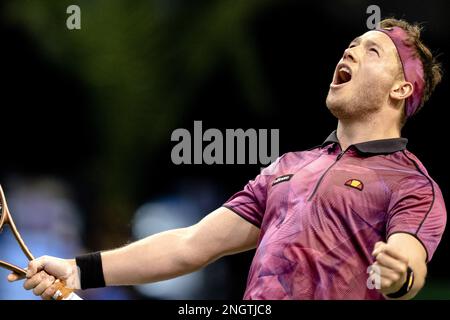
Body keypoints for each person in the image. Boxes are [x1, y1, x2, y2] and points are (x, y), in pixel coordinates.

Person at [10, 18, 446, 300]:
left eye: (371, 51)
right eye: (350, 44)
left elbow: (410, 260)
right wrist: (77, 270)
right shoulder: (287, 168)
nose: (349, 52)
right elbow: (190, 245)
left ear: (401, 90)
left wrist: (399, 277)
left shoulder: (412, 185)